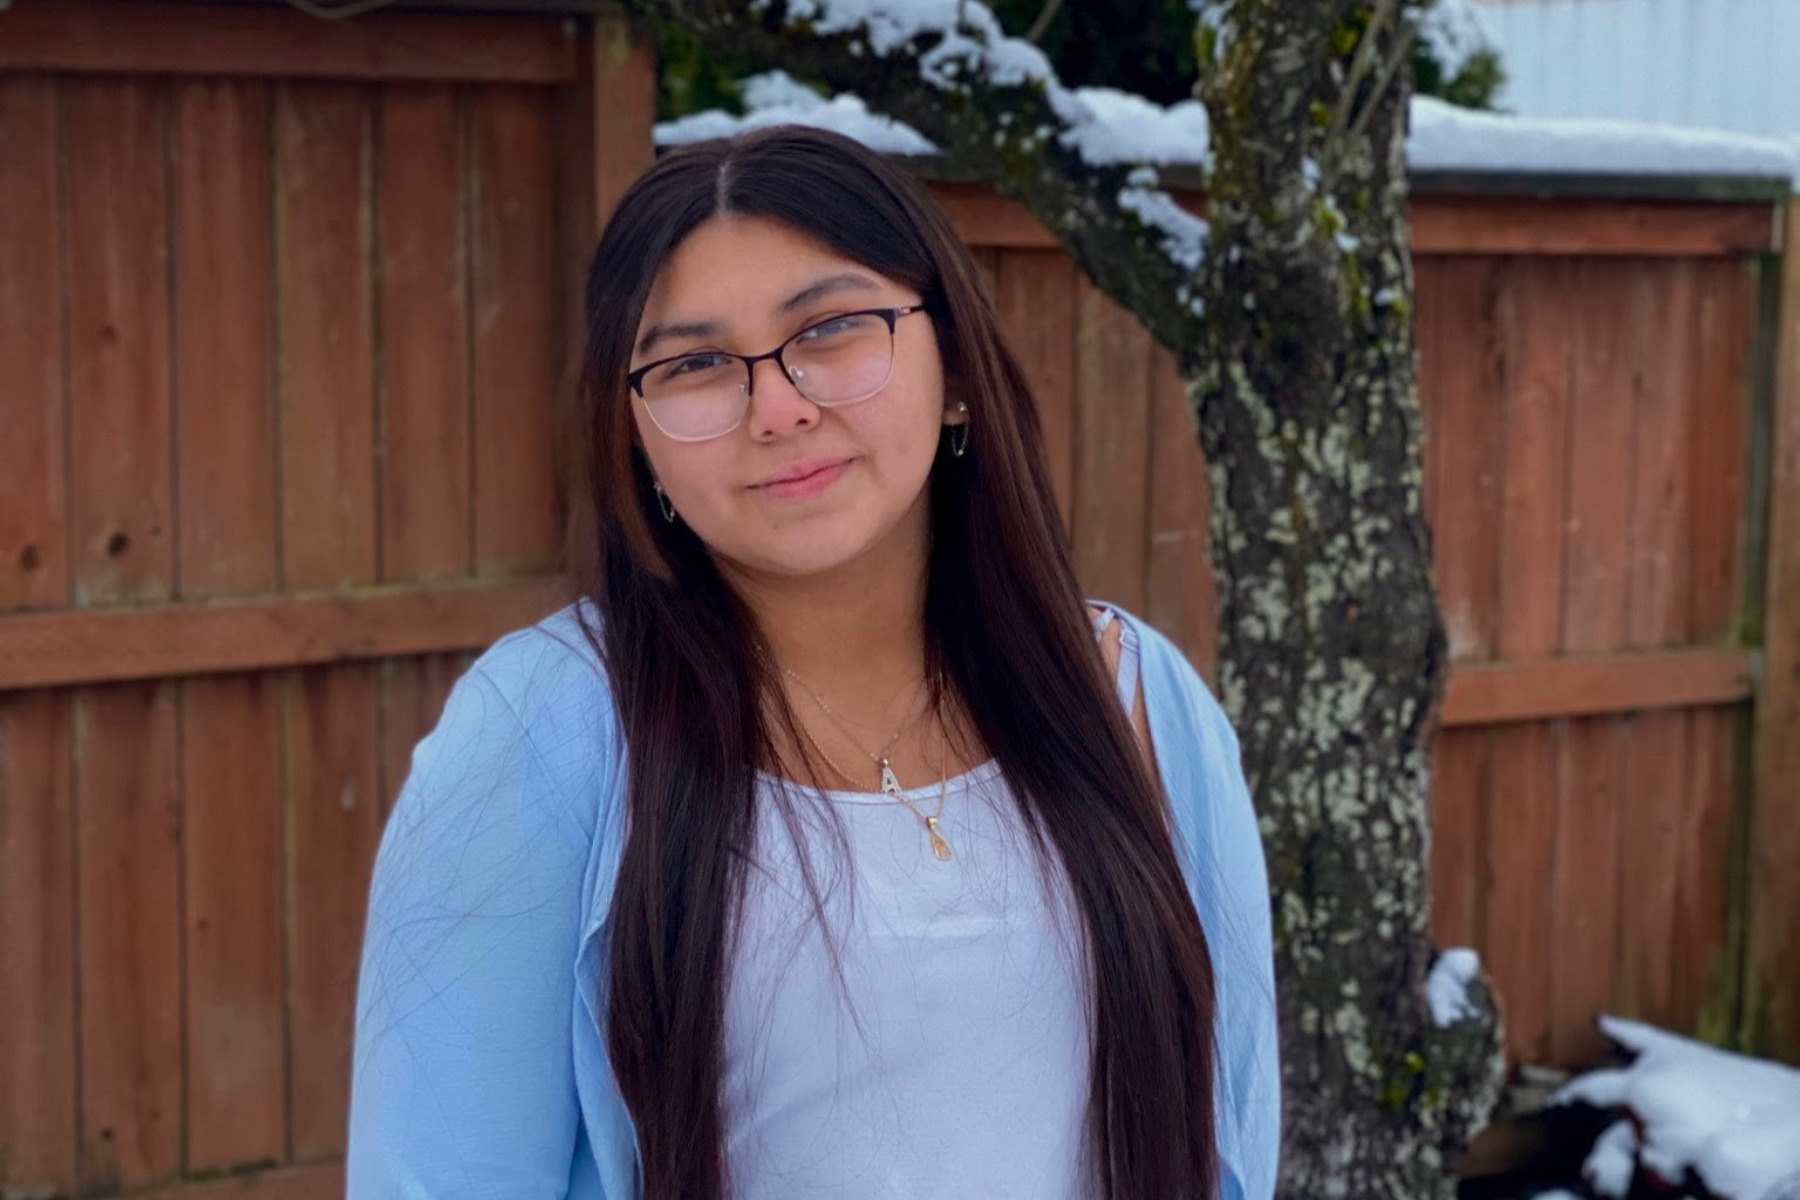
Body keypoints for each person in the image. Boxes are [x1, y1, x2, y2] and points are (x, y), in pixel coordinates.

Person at [347, 125, 1278, 1200]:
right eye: (695, 364)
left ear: (959, 369)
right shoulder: (545, 729)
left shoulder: (1138, 697)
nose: (778, 407)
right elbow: (443, 1178)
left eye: (832, 329)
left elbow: (1232, 1142)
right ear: (635, 437)